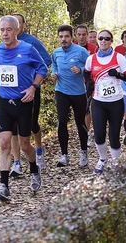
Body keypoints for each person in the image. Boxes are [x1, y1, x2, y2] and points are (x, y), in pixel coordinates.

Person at [0, 15, 47, 201]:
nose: (5, 33)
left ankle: (34, 169)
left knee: (24, 145)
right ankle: (3, 185)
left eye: (8, 30)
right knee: (4, 142)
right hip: (4, 102)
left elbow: (42, 69)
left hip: (23, 102)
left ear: (16, 30)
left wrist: (33, 87)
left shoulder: (27, 49)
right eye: (2, 30)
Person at [8, 13, 52, 177]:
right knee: (13, 129)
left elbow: (46, 61)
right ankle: (17, 163)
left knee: (32, 124)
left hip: (31, 90)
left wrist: (32, 78)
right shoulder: (6, 44)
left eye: (17, 24)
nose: (14, 27)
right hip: (11, 93)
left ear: (23, 25)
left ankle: (39, 151)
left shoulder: (32, 42)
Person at [83, 30, 126, 174]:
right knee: (99, 134)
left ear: (111, 41)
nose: (103, 41)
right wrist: (89, 83)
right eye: (101, 38)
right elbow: (86, 72)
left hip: (116, 102)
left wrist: (118, 74)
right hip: (99, 101)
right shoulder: (91, 59)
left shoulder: (118, 57)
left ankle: (116, 162)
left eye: (106, 39)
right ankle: (103, 159)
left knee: (114, 134)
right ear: (97, 40)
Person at [51, 25, 90, 167]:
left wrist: (80, 70)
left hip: (79, 92)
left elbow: (90, 68)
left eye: (66, 36)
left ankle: (84, 152)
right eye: (61, 37)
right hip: (61, 91)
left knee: (80, 122)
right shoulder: (56, 52)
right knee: (61, 121)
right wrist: (53, 73)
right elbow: (54, 65)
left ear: (72, 37)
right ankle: (64, 155)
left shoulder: (81, 51)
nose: (63, 39)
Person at [74, 25, 99, 147]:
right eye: (79, 34)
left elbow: (97, 64)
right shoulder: (71, 46)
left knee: (89, 108)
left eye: (84, 34)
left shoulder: (93, 48)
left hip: (89, 82)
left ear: (87, 35)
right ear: (75, 35)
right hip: (75, 84)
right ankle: (85, 131)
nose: (81, 37)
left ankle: (89, 132)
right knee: (82, 110)